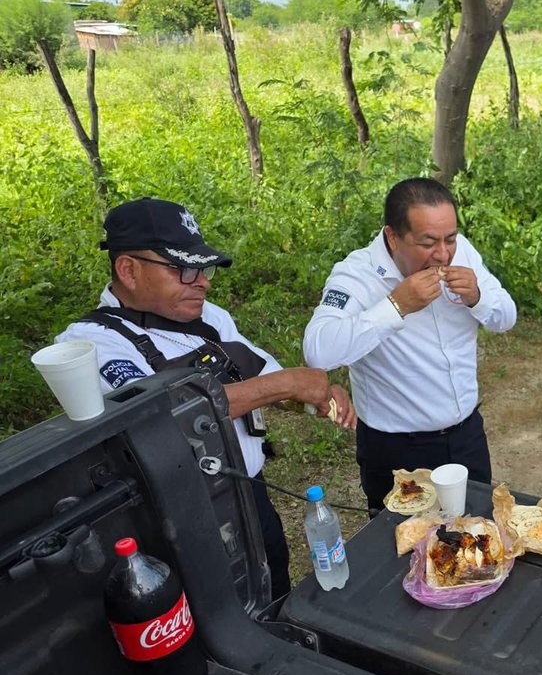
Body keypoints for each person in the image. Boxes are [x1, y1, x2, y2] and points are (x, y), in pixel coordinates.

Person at [56, 198, 356, 600]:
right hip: (183, 517)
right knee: (220, 612)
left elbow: (261, 375)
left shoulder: (207, 316)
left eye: (203, 267)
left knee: (275, 585)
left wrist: (312, 394)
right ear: (128, 269)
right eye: (183, 269)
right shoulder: (90, 345)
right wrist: (287, 384)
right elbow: (159, 416)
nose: (202, 281)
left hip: (250, 491)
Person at [303, 177, 516, 512]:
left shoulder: (463, 254)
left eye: (450, 239)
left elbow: (506, 317)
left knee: (476, 538)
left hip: (466, 438)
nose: (442, 254)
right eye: (427, 242)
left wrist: (477, 296)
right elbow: (318, 350)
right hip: (396, 451)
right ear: (393, 237)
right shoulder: (357, 275)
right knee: (400, 551)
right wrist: (395, 307)